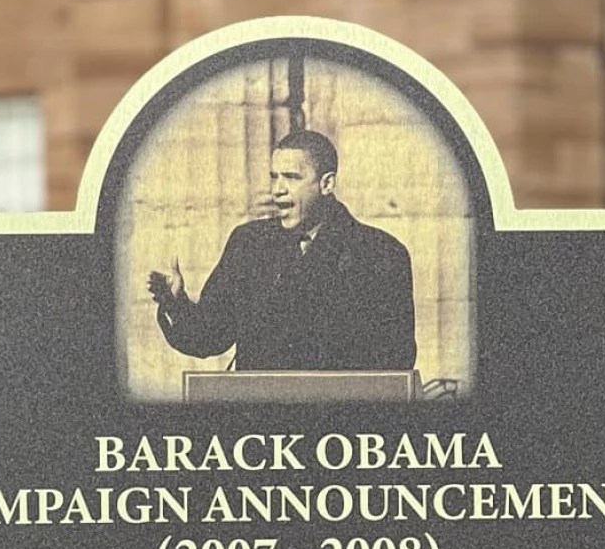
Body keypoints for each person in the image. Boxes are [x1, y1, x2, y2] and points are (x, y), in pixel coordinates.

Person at [148, 130, 416, 371]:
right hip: (260, 421)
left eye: (291, 178)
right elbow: (209, 336)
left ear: (327, 184)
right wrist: (176, 302)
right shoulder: (249, 244)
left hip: (337, 420)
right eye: (274, 177)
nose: (277, 190)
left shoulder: (381, 254)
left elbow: (396, 359)